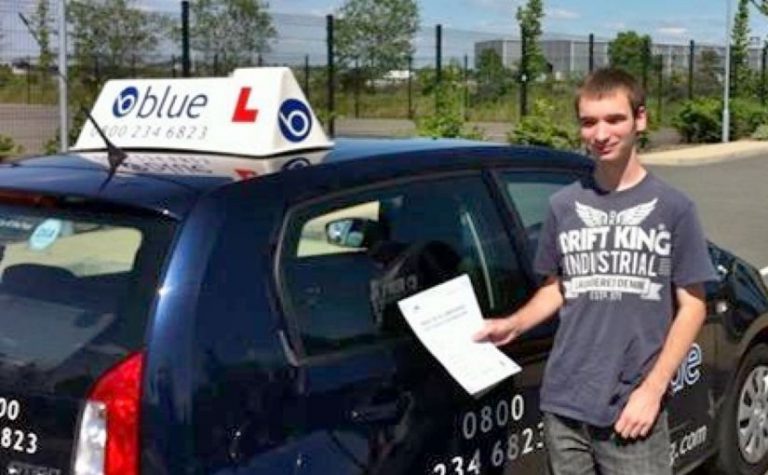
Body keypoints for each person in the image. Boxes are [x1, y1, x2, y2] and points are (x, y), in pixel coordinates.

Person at [474, 67, 717, 475]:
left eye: (614, 119)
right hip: (564, 404)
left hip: (631, 407)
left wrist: (652, 390)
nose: (600, 134)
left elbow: (693, 306)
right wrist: (513, 324)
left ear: (640, 119)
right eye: (589, 122)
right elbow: (558, 286)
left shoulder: (673, 208)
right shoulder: (563, 206)